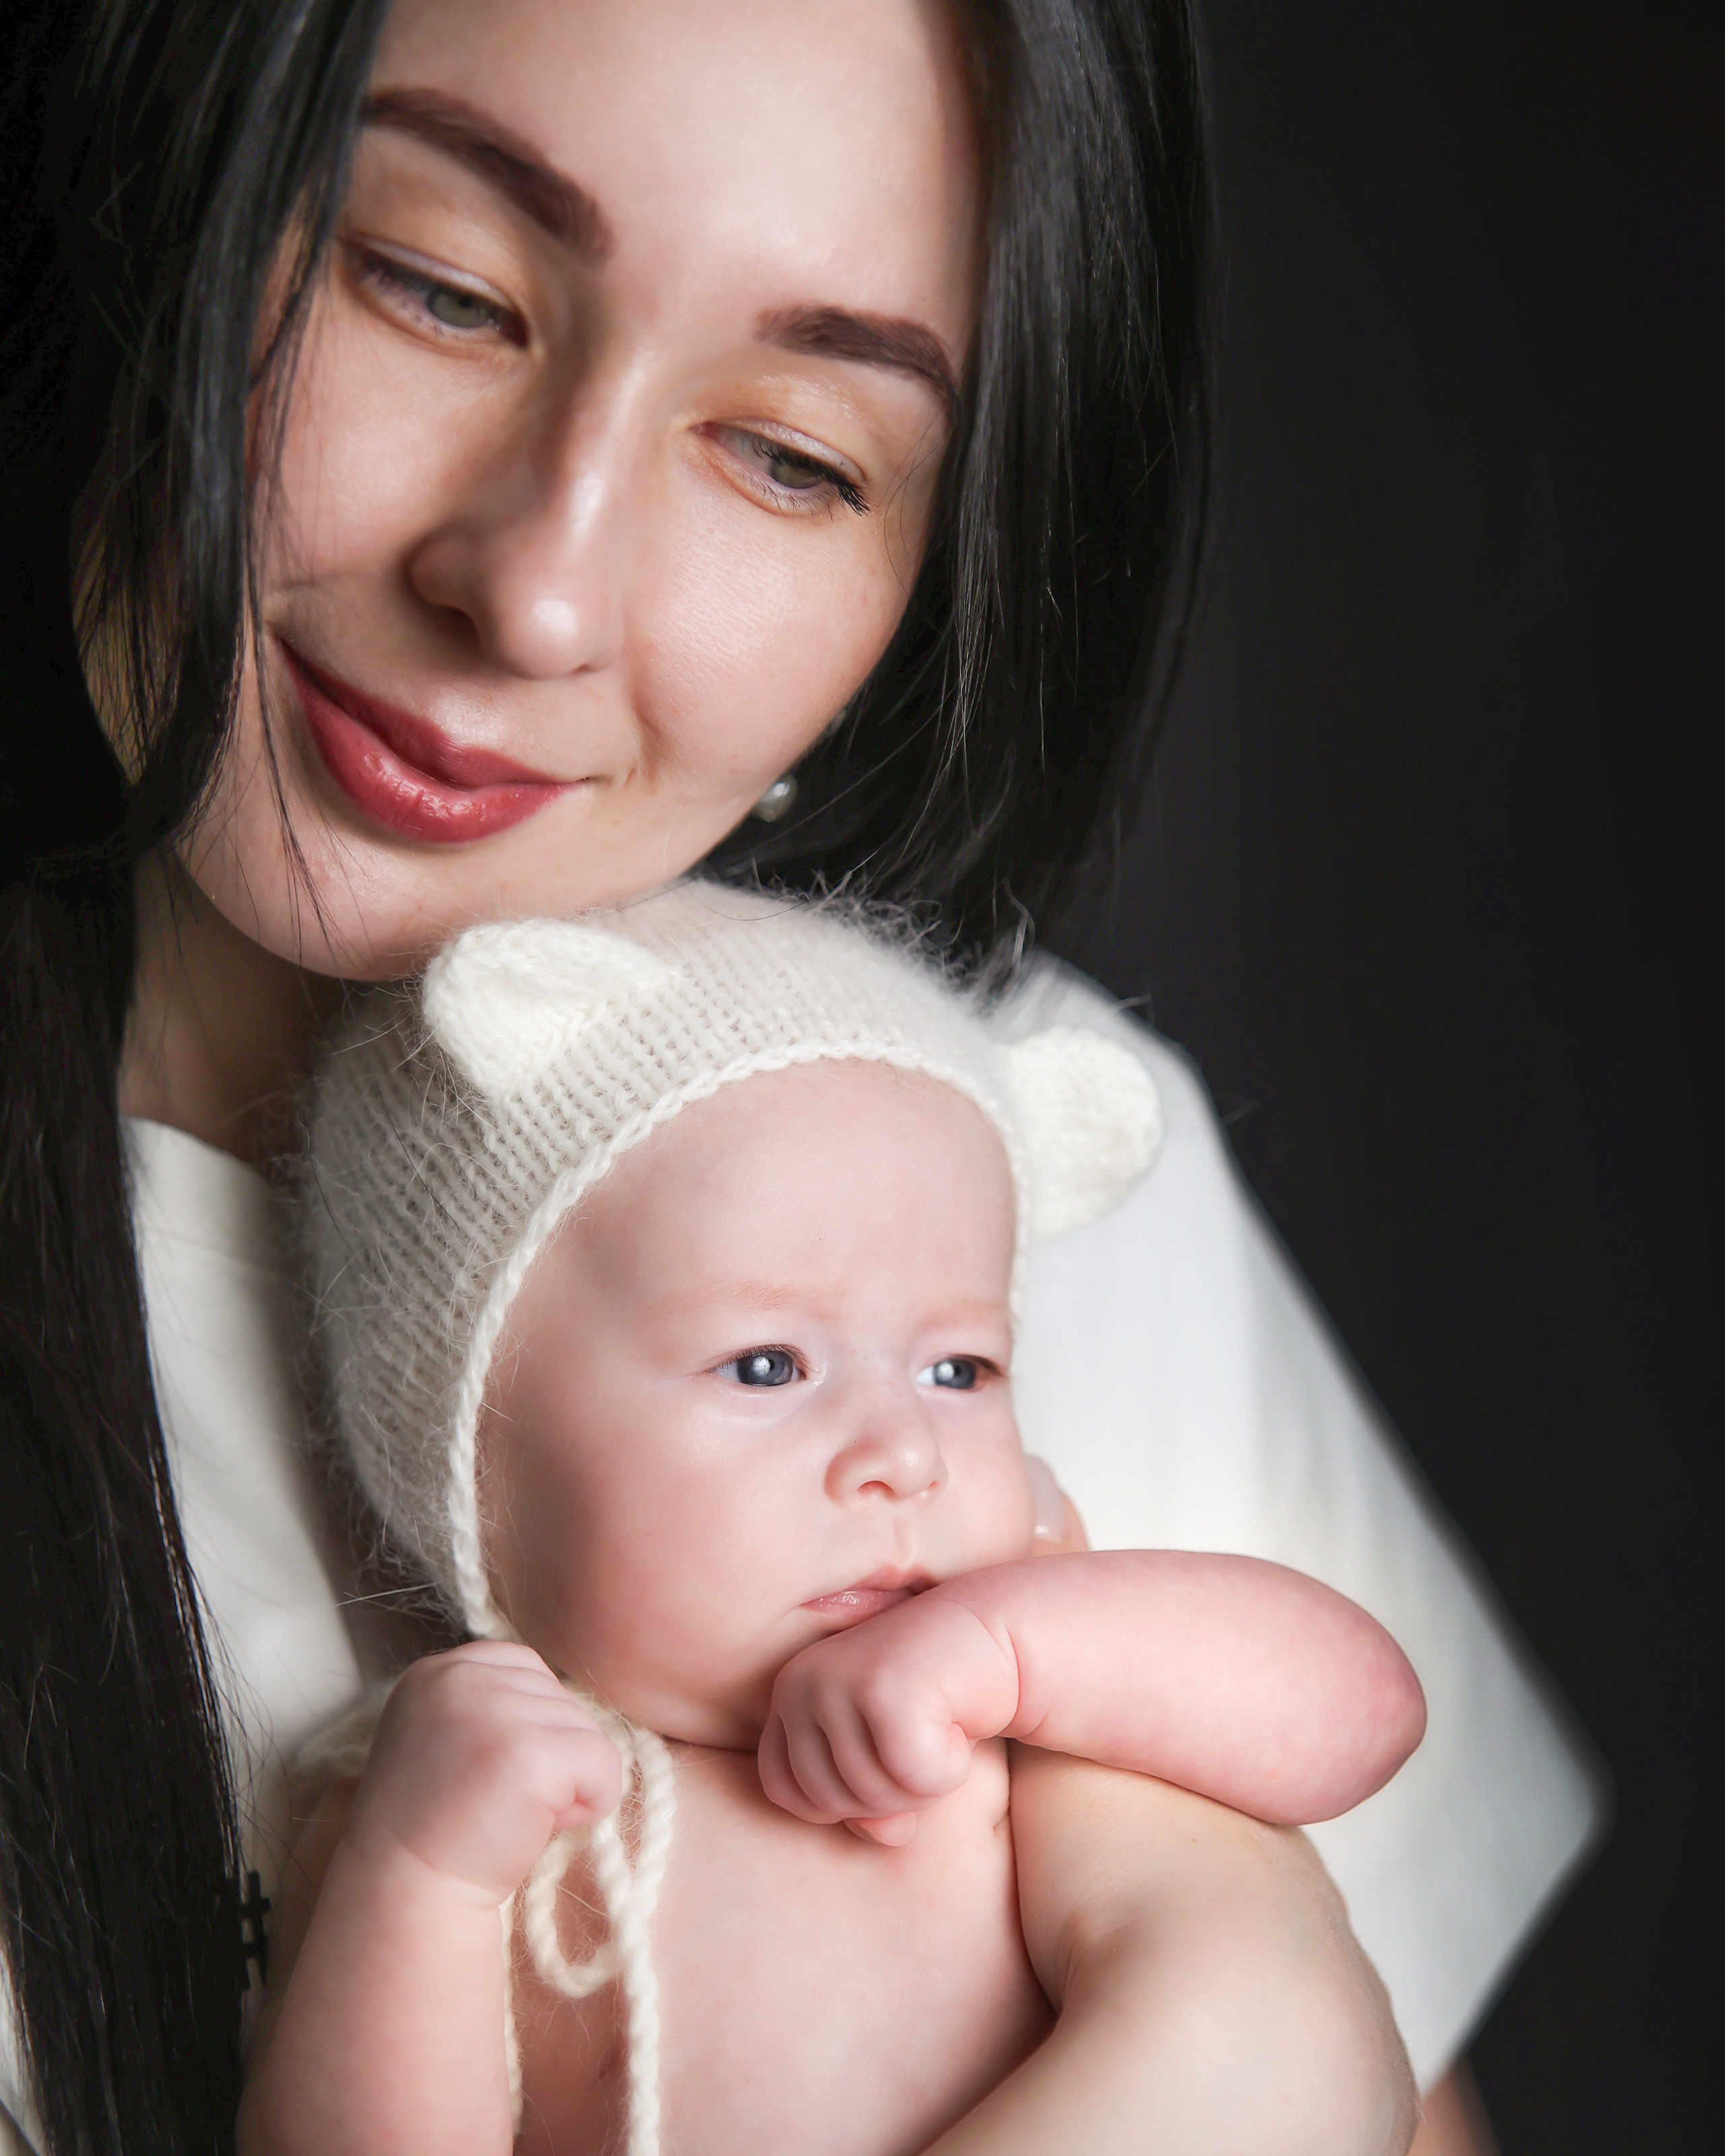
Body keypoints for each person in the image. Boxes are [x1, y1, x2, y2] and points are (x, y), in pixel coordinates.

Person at [0, 3, 1596, 2153]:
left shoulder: (1019, 1160)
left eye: (794, 454)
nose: (539, 590)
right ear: (161, 159)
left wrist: (1256, 1994)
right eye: (440, 287)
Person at [245, 885, 1425, 2156]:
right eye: (766, 1368)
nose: (904, 1453)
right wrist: (423, 1875)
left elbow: (1363, 1713)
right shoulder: (446, 1798)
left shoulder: (1023, 1662)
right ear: (472, 1455)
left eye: (959, 1370)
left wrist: (1022, 1654)